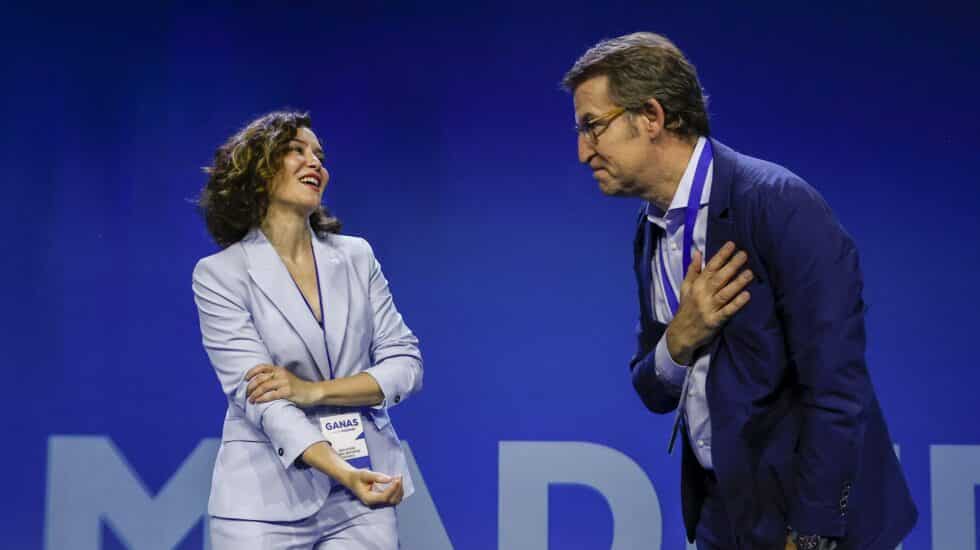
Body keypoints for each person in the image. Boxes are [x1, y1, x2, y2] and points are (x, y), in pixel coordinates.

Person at [562, 33, 916, 550]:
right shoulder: (650, 231)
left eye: (592, 126)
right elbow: (652, 388)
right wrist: (677, 342)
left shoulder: (777, 206)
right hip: (727, 525)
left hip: (819, 528)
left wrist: (812, 536)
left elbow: (838, 389)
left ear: (653, 116)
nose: (581, 151)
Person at [192, 111, 422, 549]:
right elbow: (262, 401)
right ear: (256, 170)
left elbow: (405, 365)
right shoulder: (219, 275)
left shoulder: (357, 256)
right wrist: (342, 470)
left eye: (319, 154)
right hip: (262, 506)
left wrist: (312, 391)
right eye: (295, 150)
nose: (314, 161)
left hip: (362, 492)